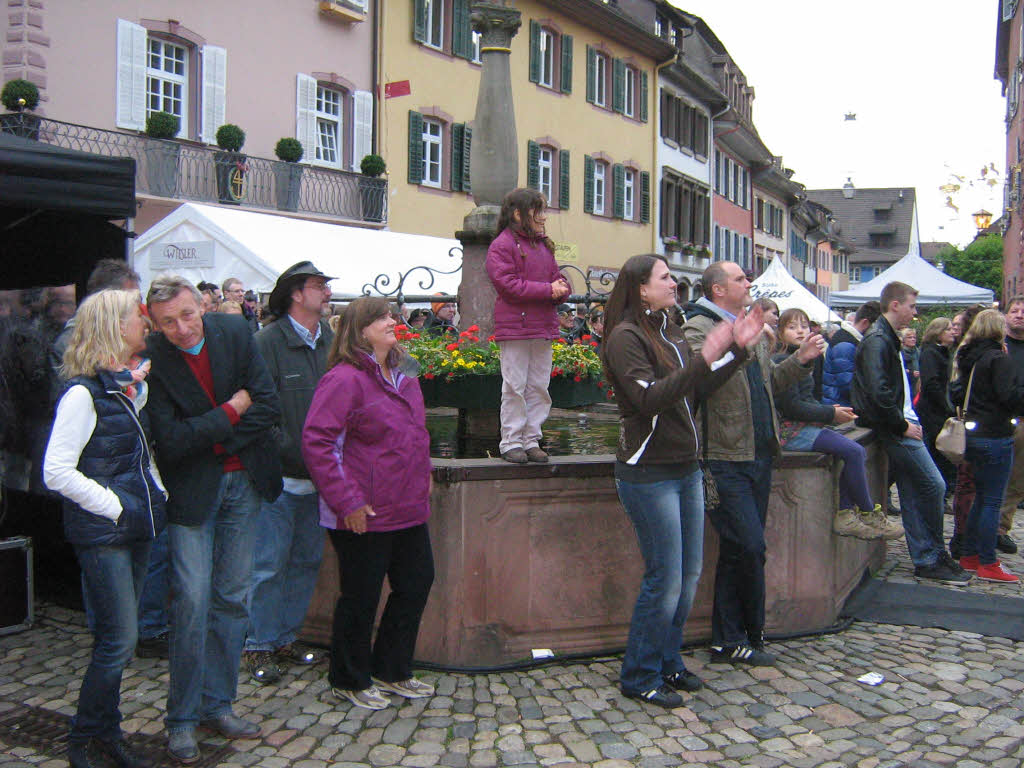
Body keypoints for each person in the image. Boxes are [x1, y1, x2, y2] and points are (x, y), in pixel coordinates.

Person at [602, 254, 758, 708]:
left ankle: (669, 660)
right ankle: (639, 673)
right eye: (665, 278)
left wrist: (737, 352)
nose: (674, 284)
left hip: (685, 468)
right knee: (664, 578)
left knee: (687, 577)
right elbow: (649, 399)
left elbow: (698, 386)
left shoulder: (669, 327)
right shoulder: (625, 337)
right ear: (641, 288)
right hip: (648, 472)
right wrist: (703, 358)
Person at [144, 276, 283, 763]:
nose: (181, 328)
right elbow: (170, 439)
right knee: (190, 603)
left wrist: (218, 436)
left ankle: (217, 704)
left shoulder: (234, 334)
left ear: (199, 305)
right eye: (168, 322)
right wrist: (230, 411)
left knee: (231, 598)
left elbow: (266, 406)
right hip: (193, 494)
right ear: (154, 324)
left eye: (186, 314)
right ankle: (180, 719)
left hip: (242, 482)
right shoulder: (155, 359)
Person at [43, 289, 166, 768]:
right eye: (136, 317)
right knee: (119, 640)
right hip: (106, 531)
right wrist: (114, 505)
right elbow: (56, 470)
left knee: (118, 639)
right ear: (114, 327)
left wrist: (153, 492)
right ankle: (82, 738)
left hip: (130, 525)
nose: (145, 324)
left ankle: (106, 733)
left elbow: (136, 453)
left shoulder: (124, 386)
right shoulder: (82, 393)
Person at [683, 261, 824, 666]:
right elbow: (703, 377)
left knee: (740, 548)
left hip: (758, 451)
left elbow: (767, 385)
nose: (749, 283)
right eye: (741, 279)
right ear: (717, 290)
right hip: (723, 453)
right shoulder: (698, 327)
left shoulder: (753, 324)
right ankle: (736, 634)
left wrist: (799, 360)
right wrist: (739, 344)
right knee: (748, 545)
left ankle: (736, 637)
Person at [302, 297, 435, 710]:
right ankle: (349, 677)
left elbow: (416, 430)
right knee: (360, 595)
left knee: (415, 584)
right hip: (364, 508)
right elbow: (318, 442)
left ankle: (393, 669)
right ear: (361, 330)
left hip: (407, 503)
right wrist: (348, 502)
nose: (393, 321)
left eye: (392, 315)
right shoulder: (344, 379)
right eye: (383, 317)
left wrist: (424, 471)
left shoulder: (404, 372)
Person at [243, 262, 335, 685]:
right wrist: (293, 450)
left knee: (305, 561)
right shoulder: (268, 341)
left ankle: (285, 639)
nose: (327, 292)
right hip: (280, 477)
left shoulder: (329, 340)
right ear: (296, 294)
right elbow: (261, 409)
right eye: (319, 286)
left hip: (321, 477)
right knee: (268, 565)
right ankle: (257, 644)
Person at [850, 282, 971, 586]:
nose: (915, 313)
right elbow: (879, 392)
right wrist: (901, 424)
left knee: (915, 491)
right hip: (896, 426)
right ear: (895, 305)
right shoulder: (879, 340)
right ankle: (931, 554)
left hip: (898, 423)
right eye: (912, 306)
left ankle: (927, 557)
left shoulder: (884, 338)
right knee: (933, 486)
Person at [771, 308, 901, 541]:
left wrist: (828, 414)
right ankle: (861, 513)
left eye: (803, 326)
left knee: (852, 450)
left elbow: (809, 398)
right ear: (780, 333)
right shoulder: (782, 360)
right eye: (792, 327)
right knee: (854, 451)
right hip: (789, 431)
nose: (800, 331)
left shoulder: (808, 357)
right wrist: (830, 413)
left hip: (803, 426)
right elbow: (792, 406)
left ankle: (849, 512)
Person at [485, 188, 570, 464]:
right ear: (518, 214)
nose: (543, 217)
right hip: (516, 326)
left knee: (538, 386)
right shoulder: (503, 245)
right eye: (538, 211)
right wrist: (550, 290)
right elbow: (508, 286)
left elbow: (557, 278)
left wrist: (561, 289)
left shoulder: (542, 245)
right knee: (515, 386)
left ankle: (531, 439)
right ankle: (511, 441)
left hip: (541, 326)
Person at [949, 309, 1024, 583]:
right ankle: (988, 562)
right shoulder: (997, 358)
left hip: (973, 435)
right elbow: (1009, 397)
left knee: (980, 497)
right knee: (992, 500)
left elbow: (955, 392)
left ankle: (969, 555)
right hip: (996, 435)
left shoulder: (969, 356)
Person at [995, 295, 1024, 555]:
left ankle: (1001, 529)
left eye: (1023, 311)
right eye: (1014, 310)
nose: (1019, 315)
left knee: (1017, 480)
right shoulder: (997, 347)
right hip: (997, 419)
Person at [917, 317, 957, 503]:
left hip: (941, 411)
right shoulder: (931, 353)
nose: (952, 332)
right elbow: (932, 383)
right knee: (935, 451)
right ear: (938, 332)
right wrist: (946, 406)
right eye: (948, 329)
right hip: (933, 412)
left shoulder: (944, 352)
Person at [822, 301, 880, 407]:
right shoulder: (845, 344)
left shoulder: (850, 340)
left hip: (841, 403)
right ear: (865, 323)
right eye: (877, 327)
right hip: (841, 406)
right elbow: (846, 383)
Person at [900, 327, 921, 397]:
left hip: (917, 385)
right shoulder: (900, 352)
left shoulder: (918, 352)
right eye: (909, 337)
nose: (913, 339)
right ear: (903, 340)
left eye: (914, 337)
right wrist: (911, 373)